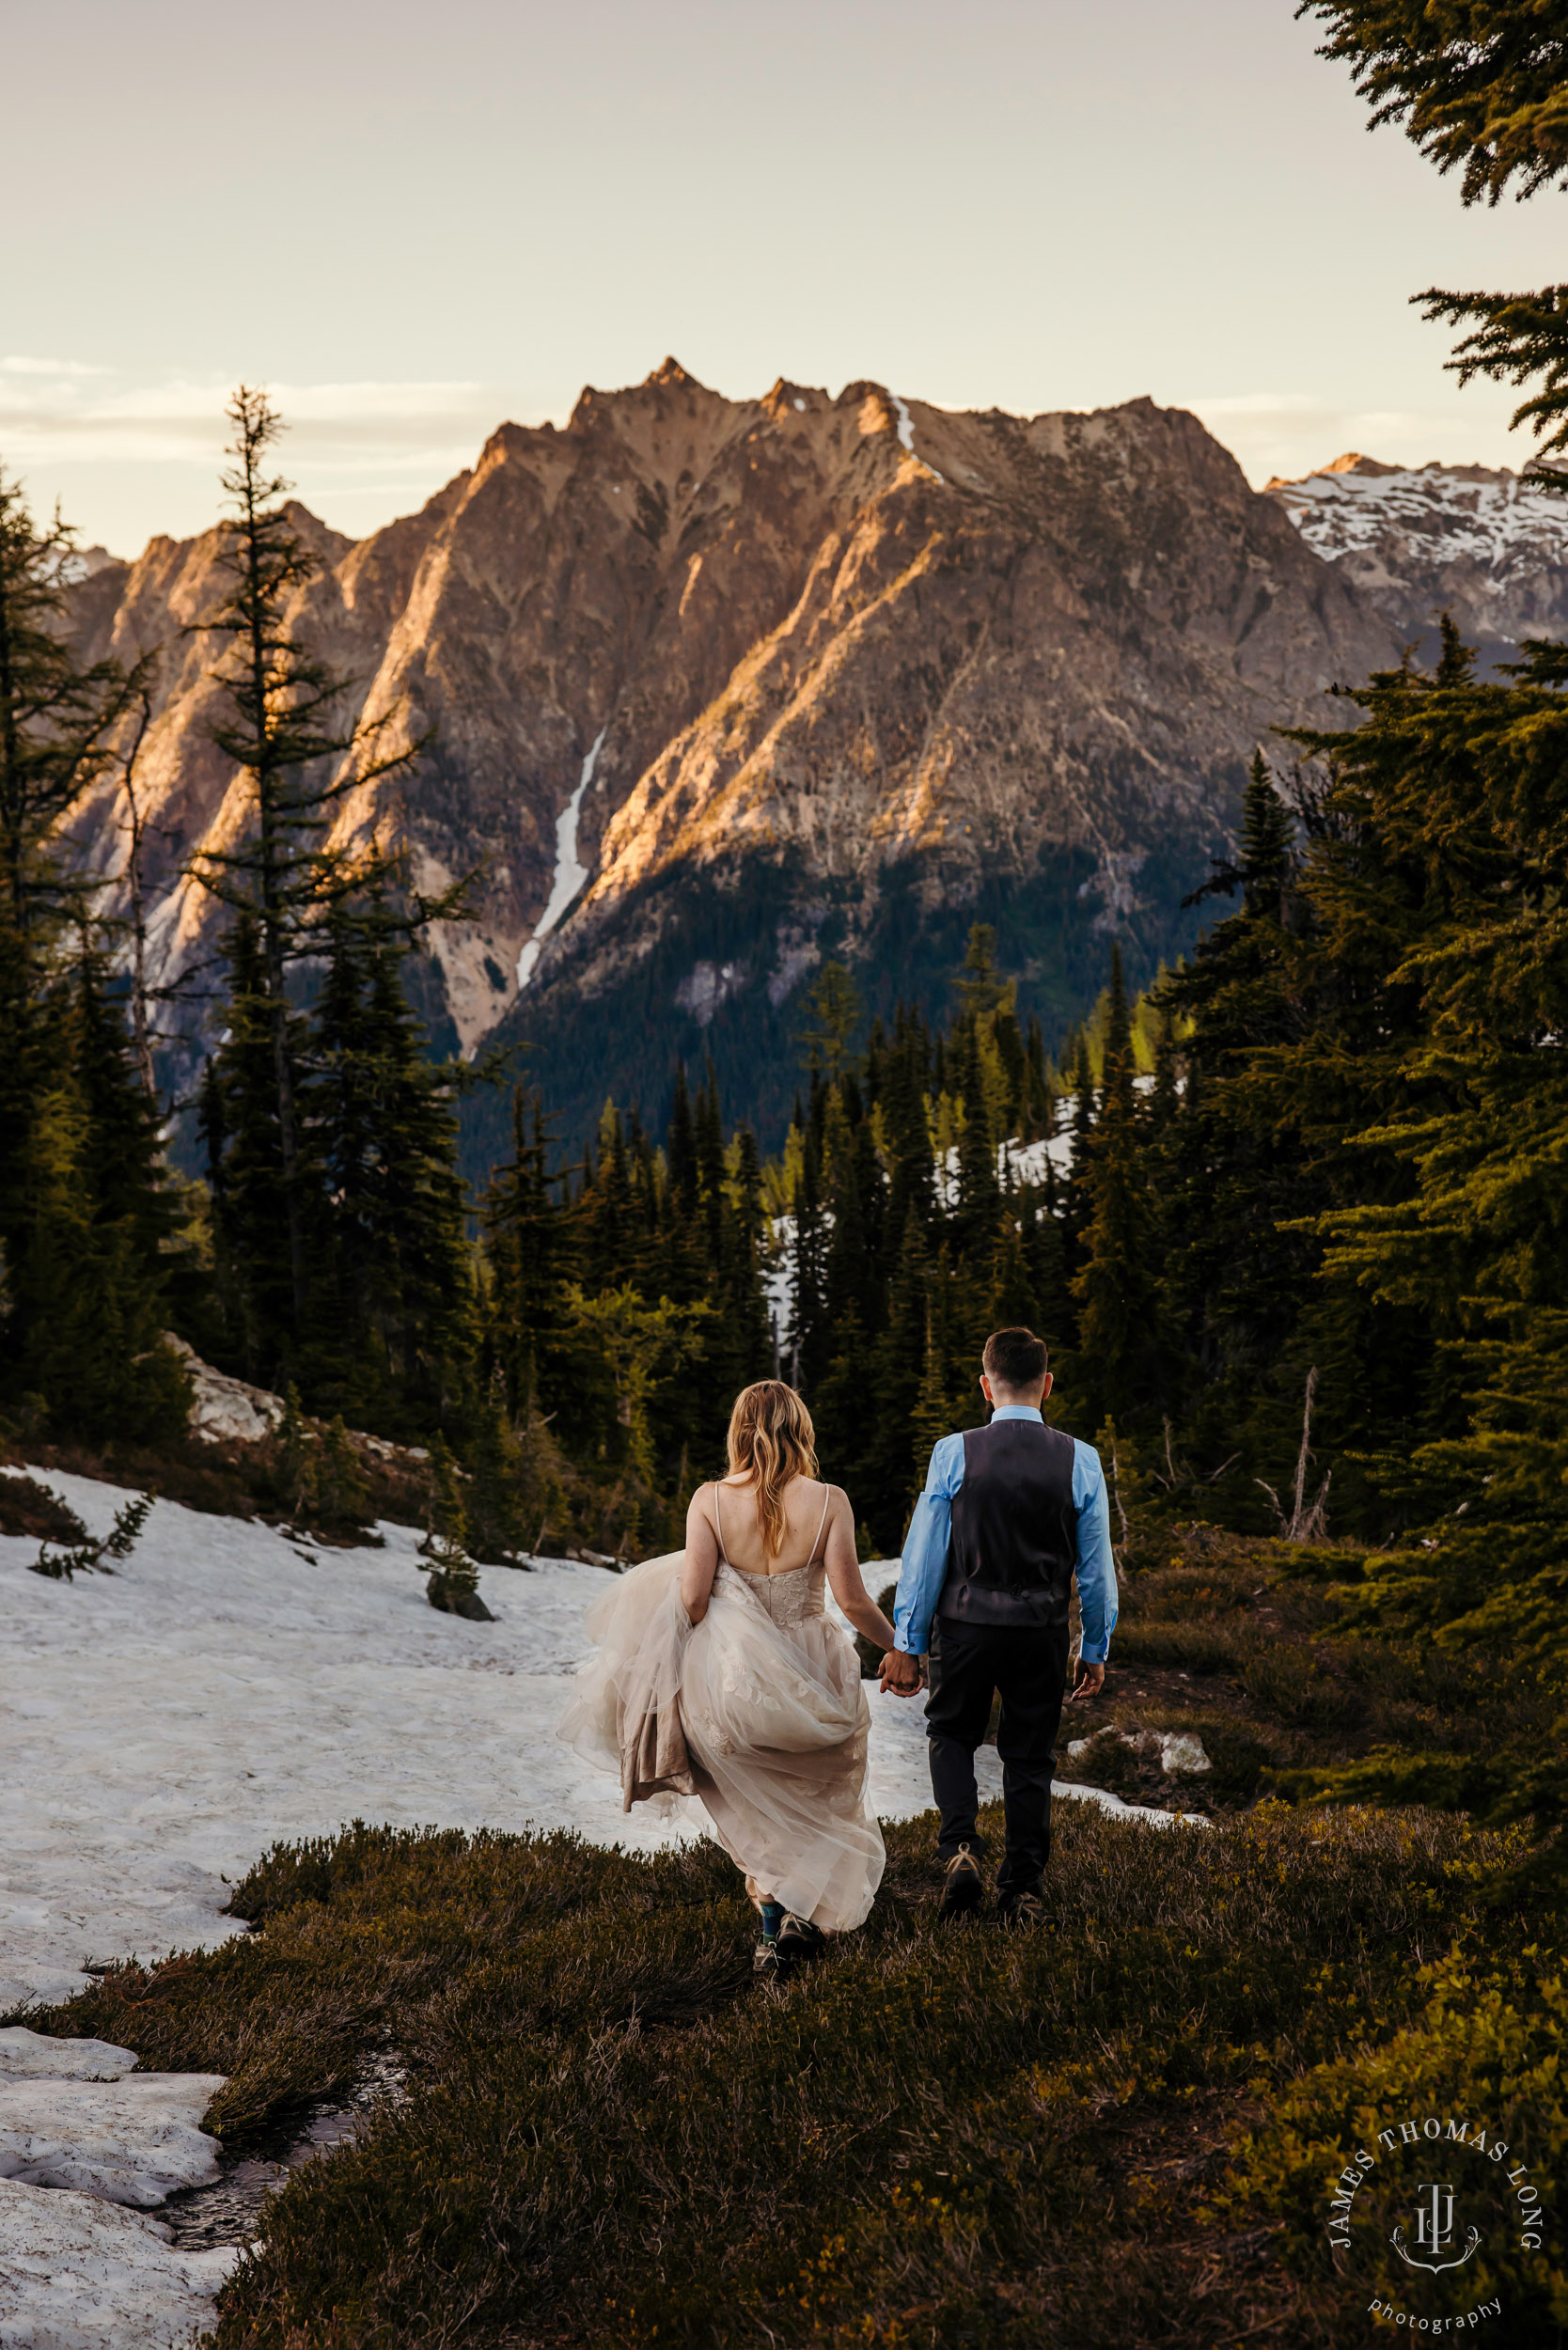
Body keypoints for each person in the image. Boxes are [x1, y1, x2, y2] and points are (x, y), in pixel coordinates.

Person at [560, 1379, 902, 1976]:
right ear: (800, 1429)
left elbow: (692, 1599)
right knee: (821, 1797)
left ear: (738, 1432)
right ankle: (801, 1913)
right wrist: (904, 1648)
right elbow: (851, 1601)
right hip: (814, 1670)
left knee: (752, 1802)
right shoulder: (830, 1501)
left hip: (734, 1679)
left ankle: (772, 1930)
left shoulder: (710, 1500)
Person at [881, 1325, 1116, 1925]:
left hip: (965, 1626)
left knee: (953, 1735)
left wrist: (908, 1642)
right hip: (1040, 1630)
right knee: (1030, 1757)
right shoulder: (1081, 1460)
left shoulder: (953, 1452)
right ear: (1048, 1384)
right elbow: (1095, 1570)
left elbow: (925, 1558)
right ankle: (1022, 1889)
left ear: (986, 1386)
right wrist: (1095, 1645)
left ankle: (960, 1846)